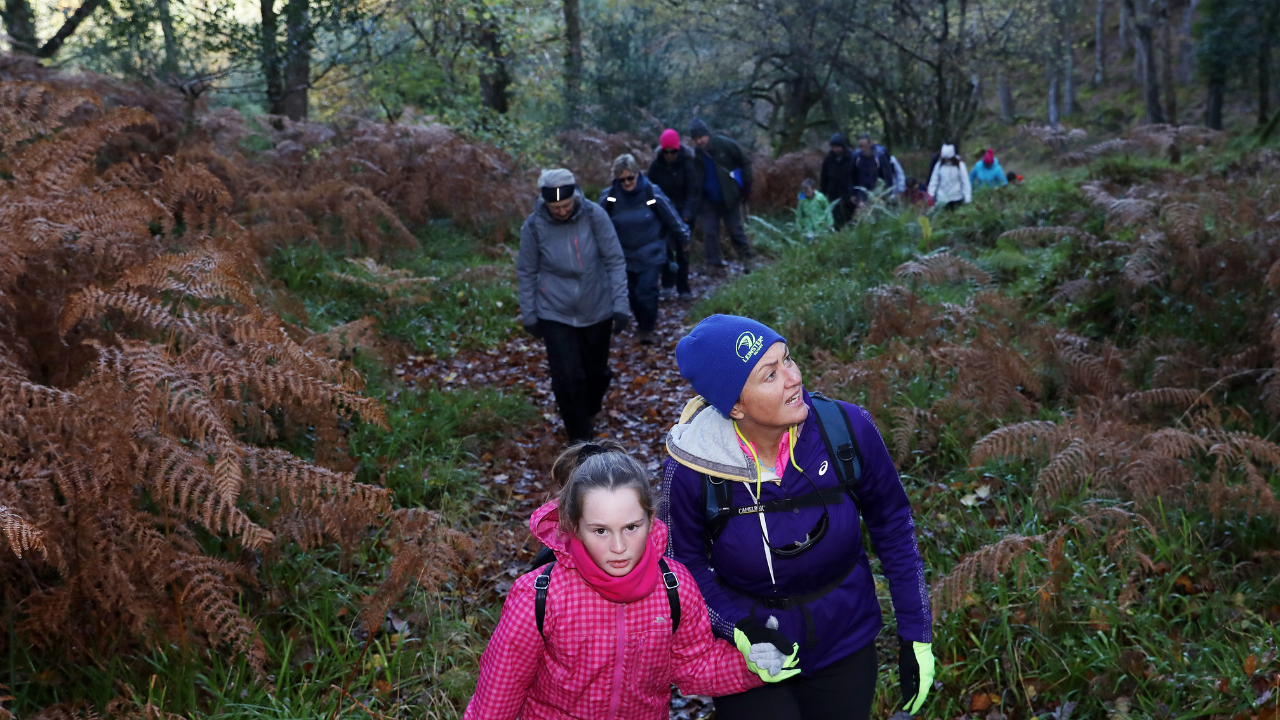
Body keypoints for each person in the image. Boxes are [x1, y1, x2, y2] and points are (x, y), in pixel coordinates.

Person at [661, 314, 935, 720]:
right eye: (770, 374)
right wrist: (737, 628)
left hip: (846, 637)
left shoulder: (846, 430)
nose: (793, 378)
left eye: (787, 359)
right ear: (735, 405)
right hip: (753, 654)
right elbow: (682, 565)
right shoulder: (691, 469)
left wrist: (917, 635)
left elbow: (893, 524)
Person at [465, 441, 799, 720]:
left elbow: (695, 665)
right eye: (600, 531)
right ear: (572, 526)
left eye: (631, 527)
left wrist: (753, 664)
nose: (619, 547)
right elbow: (497, 699)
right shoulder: (539, 597)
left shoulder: (674, 587)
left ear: (651, 520)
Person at [517, 168, 629, 443]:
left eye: (566, 205)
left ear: (575, 198)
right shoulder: (534, 226)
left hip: (596, 306)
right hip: (554, 310)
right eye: (555, 207)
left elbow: (614, 260)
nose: (562, 211)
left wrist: (620, 305)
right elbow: (526, 271)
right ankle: (579, 437)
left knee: (596, 374)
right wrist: (529, 314)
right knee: (567, 376)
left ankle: (589, 410)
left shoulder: (595, 216)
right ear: (545, 204)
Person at [599, 153, 690, 345]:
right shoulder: (610, 198)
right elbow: (597, 225)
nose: (626, 183)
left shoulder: (652, 193)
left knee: (646, 291)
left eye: (630, 178)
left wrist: (684, 238)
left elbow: (671, 217)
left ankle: (647, 328)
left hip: (652, 252)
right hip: (623, 255)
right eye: (621, 179)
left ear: (637, 174)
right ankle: (642, 323)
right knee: (632, 294)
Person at [689, 118, 755, 275]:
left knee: (735, 229)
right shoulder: (697, 153)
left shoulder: (726, 144)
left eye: (701, 137)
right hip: (708, 201)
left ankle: (748, 261)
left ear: (707, 134)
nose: (699, 141)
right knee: (710, 232)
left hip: (729, 197)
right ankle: (714, 265)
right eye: (695, 138)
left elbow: (745, 162)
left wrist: (746, 187)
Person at [648, 129, 698, 301]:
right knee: (666, 251)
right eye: (666, 151)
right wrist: (655, 213)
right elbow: (649, 191)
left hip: (684, 214)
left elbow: (693, 192)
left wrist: (687, 214)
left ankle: (684, 288)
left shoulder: (688, 165)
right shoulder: (655, 166)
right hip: (663, 215)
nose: (669, 155)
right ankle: (667, 285)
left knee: (683, 251)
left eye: (673, 151)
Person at [818, 134, 854, 228]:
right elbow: (824, 179)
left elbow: (857, 177)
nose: (835, 150)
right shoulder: (828, 159)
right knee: (836, 222)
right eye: (833, 147)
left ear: (842, 146)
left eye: (838, 147)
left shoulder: (852, 158)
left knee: (851, 222)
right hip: (834, 196)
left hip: (849, 196)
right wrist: (821, 195)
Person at [852, 134, 895, 207]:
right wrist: (854, 194)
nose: (863, 149)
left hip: (879, 191)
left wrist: (886, 195)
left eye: (865, 146)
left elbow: (888, 176)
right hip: (863, 191)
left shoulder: (880, 156)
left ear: (870, 143)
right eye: (861, 146)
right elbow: (853, 176)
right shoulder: (857, 157)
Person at [927, 144, 971, 210]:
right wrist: (930, 195)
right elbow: (934, 181)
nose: (946, 160)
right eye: (945, 159)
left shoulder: (960, 166)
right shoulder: (939, 166)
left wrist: (967, 198)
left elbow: (965, 182)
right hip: (942, 199)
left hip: (957, 198)